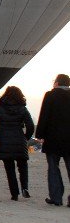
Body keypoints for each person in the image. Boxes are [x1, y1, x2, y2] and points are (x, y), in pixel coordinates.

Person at [0, 86, 35, 201]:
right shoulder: (22, 109)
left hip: (4, 139)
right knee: (23, 166)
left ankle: (14, 194)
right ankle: (24, 187)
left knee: (9, 168)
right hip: (19, 138)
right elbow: (30, 125)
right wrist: (25, 137)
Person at [35, 73, 70, 207]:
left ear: (56, 83)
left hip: (53, 138)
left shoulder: (50, 95)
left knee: (53, 169)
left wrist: (39, 134)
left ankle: (56, 198)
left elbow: (44, 115)